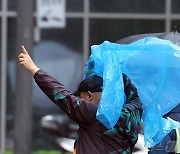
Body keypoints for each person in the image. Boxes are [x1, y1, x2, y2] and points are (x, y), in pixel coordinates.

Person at [18, 46, 142, 154]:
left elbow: (61, 95)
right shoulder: (132, 113)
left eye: (80, 97)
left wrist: (34, 70)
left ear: (89, 96)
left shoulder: (95, 114)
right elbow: (134, 95)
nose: (78, 100)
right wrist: (118, 78)